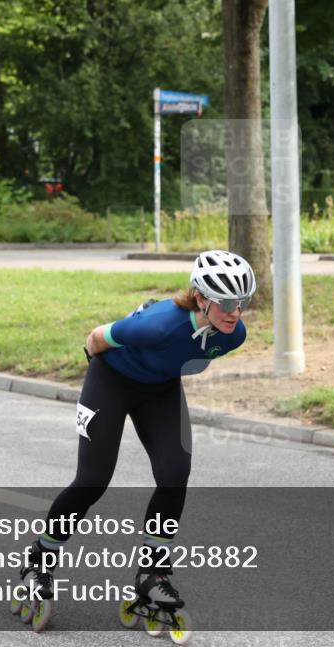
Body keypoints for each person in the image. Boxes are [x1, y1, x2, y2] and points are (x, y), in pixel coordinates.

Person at [18, 249, 255, 622]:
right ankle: (40, 559)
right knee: (92, 481)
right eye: (226, 303)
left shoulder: (233, 335)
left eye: (242, 303)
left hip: (160, 389)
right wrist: (99, 392)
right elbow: (95, 339)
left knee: (175, 474)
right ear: (200, 297)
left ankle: (152, 574)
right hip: (111, 381)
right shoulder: (158, 325)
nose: (235, 312)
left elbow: (186, 357)